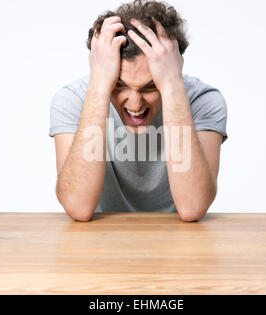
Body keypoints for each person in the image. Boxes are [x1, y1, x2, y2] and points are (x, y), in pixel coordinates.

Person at [49, 0, 228, 222]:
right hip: (100, 244)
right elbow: (79, 207)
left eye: (151, 86)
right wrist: (99, 85)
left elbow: (193, 207)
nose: (135, 105)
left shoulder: (204, 101)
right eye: (119, 85)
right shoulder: (72, 100)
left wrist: (172, 86)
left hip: (180, 247)